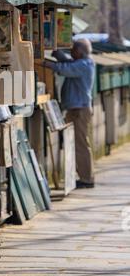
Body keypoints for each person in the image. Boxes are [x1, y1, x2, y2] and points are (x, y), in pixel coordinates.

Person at [44, 39, 95, 188]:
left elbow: (65, 68)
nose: (71, 53)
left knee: (81, 145)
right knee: (78, 144)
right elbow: (67, 62)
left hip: (80, 109)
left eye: (73, 50)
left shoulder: (84, 65)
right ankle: (84, 177)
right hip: (76, 108)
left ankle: (86, 178)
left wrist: (44, 64)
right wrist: (55, 51)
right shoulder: (81, 63)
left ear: (80, 52)